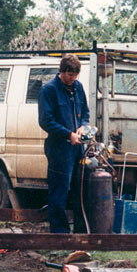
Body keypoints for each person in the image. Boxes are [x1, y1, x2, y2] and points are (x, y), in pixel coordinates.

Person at [38, 54, 91, 233]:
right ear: (62, 71)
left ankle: (81, 231)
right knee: (59, 191)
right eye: (70, 75)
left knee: (81, 189)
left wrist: (83, 127)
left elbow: (85, 111)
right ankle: (59, 233)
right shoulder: (49, 90)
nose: (73, 79)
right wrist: (68, 134)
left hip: (78, 148)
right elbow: (46, 121)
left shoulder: (78, 87)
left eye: (76, 75)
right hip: (58, 148)